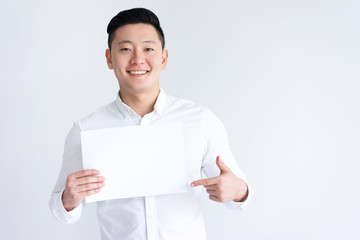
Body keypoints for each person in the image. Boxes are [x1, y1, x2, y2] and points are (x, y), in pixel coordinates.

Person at [49, 8, 253, 240]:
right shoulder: (86, 130)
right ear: (109, 58)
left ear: (163, 58)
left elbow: (242, 194)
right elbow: (60, 210)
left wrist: (239, 191)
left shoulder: (200, 120)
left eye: (148, 49)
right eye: (125, 49)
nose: (137, 59)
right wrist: (68, 199)